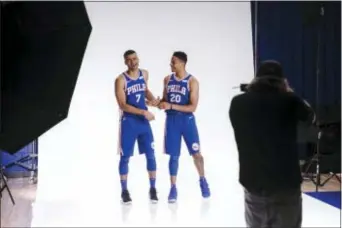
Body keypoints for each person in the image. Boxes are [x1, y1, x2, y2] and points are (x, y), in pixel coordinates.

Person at [229, 60, 315, 228]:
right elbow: (311, 117)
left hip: (254, 182)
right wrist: (288, 92)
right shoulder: (291, 101)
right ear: (282, 81)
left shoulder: (238, 103)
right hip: (286, 184)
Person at [158, 51, 211, 203]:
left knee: (196, 154)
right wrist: (157, 103)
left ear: (182, 63)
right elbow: (164, 100)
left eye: (173, 62)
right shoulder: (167, 79)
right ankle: (173, 187)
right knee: (174, 156)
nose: (171, 64)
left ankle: (202, 179)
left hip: (187, 121)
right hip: (172, 121)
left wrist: (171, 105)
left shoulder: (192, 81)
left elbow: (192, 107)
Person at [114, 50, 161, 204]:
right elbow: (122, 105)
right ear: (125, 62)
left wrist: (154, 100)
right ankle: (124, 191)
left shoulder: (144, 74)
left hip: (143, 122)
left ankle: (153, 188)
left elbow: (145, 90)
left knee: (151, 154)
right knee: (125, 157)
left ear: (138, 59)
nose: (133, 62)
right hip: (129, 122)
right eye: (129, 60)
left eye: (135, 58)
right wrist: (143, 111)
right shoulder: (121, 80)